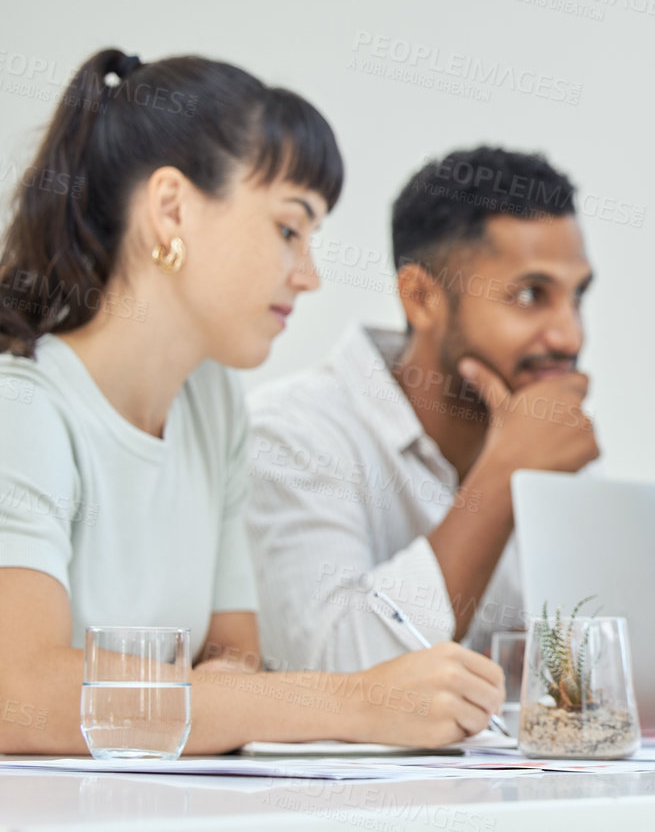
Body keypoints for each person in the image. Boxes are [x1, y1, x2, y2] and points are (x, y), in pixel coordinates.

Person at [0, 49, 501, 754]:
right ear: (171, 208)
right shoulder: (24, 410)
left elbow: (232, 656)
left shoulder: (212, 404)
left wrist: (198, 697)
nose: (310, 275)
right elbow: (19, 692)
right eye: (289, 229)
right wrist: (355, 701)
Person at [247, 147, 598, 671]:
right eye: (530, 296)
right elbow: (332, 671)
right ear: (421, 298)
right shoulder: (290, 434)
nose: (570, 335)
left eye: (577, 297)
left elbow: (596, 669)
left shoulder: (542, 436)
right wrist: (504, 476)